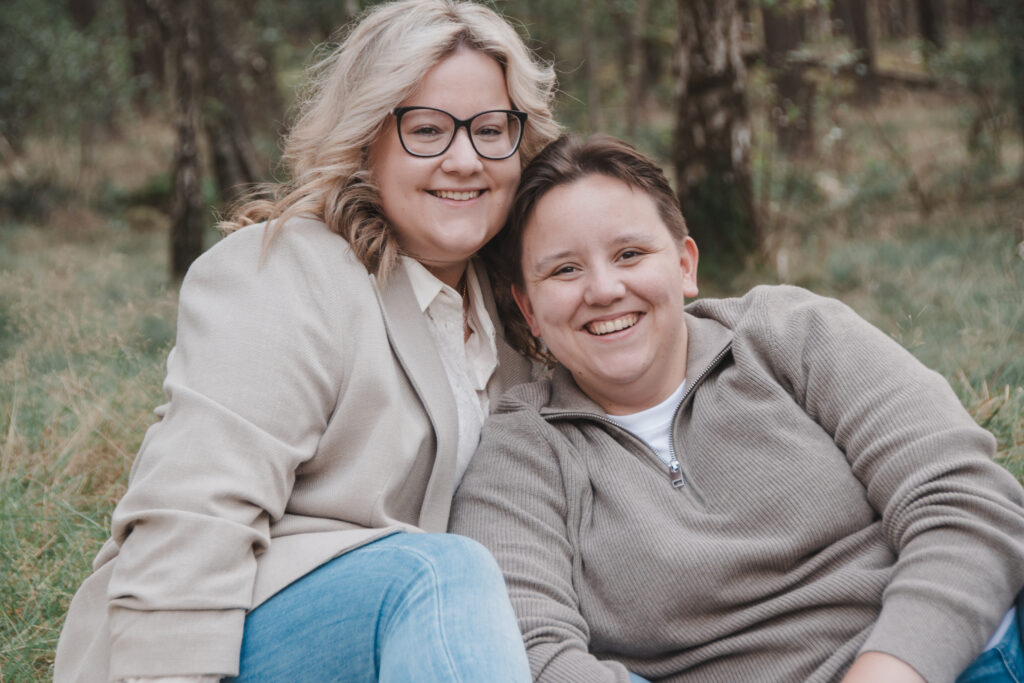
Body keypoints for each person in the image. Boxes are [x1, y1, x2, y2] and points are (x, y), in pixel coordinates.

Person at [54, 2, 560, 681]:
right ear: (365, 141)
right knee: (441, 570)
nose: (464, 159)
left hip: (427, 650)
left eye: (491, 130)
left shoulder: (518, 314)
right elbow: (195, 513)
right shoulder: (286, 274)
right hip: (225, 641)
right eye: (427, 130)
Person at [450, 134, 1024, 683]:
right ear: (528, 308)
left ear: (684, 265)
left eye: (629, 254)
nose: (603, 290)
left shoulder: (789, 333)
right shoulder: (521, 453)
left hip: (955, 661)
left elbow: (966, 504)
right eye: (565, 270)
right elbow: (529, 650)